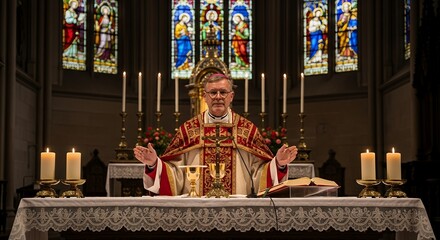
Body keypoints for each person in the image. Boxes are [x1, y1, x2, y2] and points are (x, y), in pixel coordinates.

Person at [134, 74, 298, 197]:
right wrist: (154, 164)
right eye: (213, 92)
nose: (218, 97)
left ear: (231, 96)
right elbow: (175, 173)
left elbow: (259, 173)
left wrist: (279, 164)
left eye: (223, 92)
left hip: (238, 208)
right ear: (205, 96)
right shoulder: (190, 129)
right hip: (196, 208)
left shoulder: (246, 130)